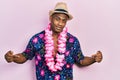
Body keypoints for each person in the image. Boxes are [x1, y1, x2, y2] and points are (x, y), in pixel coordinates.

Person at [4, 2, 103, 80]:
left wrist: (94, 59)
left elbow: (81, 60)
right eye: (57, 19)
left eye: (63, 20)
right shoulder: (37, 39)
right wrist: (13, 58)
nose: (60, 23)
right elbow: (24, 56)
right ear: (51, 18)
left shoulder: (73, 41)